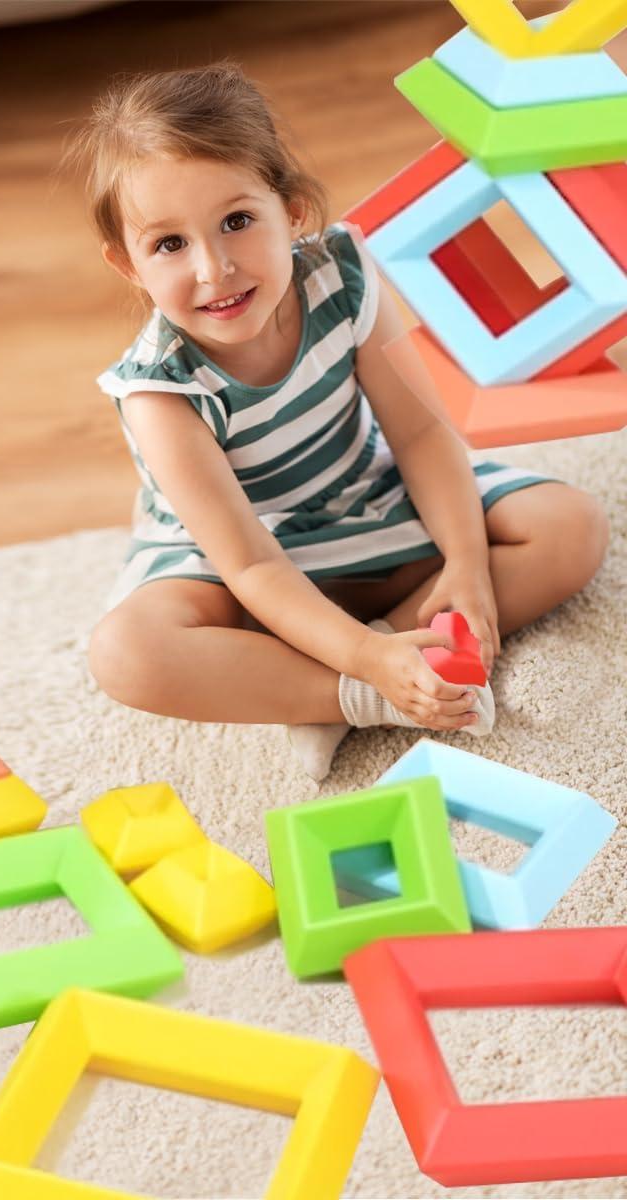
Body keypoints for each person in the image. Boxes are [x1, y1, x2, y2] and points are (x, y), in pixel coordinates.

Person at [60, 61, 609, 782]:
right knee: (128, 654)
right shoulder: (158, 391)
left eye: (237, 222)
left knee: (571, 526)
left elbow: (421, 434)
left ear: (292, 211)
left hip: (366, 493)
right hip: (241, 562)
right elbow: (251, 564)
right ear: (128, 265)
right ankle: (351, 695)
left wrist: (468, 564)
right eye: (170, 244)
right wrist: (366, 664)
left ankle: (371, 655)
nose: (214, 269)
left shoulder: (342, 275)